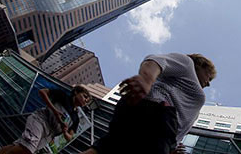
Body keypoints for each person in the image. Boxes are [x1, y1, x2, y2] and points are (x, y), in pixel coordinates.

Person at [81, 53, 216, 154]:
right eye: (209, 76)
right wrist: (146, 80)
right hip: (157, 112)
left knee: (107, 148)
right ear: (200, 65)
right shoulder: (187, 65)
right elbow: (155, 61)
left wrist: (171, 147)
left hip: (160, 127)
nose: (208, 83)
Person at [0, 85, 91, 154]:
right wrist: (54, 111)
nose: (86, 101)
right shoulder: (63, 96)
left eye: (87, 101)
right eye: (85, 96)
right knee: (27, 148)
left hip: (48, 135)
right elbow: (42, 91)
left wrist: (65, 132)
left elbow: (70, 137)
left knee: (19, 146)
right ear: (76, 92)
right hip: (41, 120)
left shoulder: (76, 118)